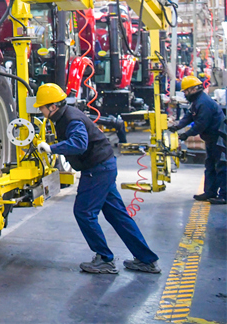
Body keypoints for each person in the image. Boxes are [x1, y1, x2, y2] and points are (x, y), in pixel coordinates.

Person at [35, 84, 161, 274]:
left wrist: (52, 148)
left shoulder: (70, 119)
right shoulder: (67, 115)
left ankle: (104, 259)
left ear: (53, 107)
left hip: (97, 170)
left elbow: (79, 144)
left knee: (84, 212)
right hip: (104, 166)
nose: (40, 110)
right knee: (117, 215)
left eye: (42, 107)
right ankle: (147, 260)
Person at [170, 76, 226, 205]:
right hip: (211, 138)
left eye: (185, 91)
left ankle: (224, 195)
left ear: (193, 89)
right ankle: (210, 192)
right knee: (210, 165)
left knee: (221, 165)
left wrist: (186, 134)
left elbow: (201, 124)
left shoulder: (203, 102)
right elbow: (190, 116)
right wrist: (177, 126)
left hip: (219, 138)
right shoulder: (196, 101)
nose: (184, 94)